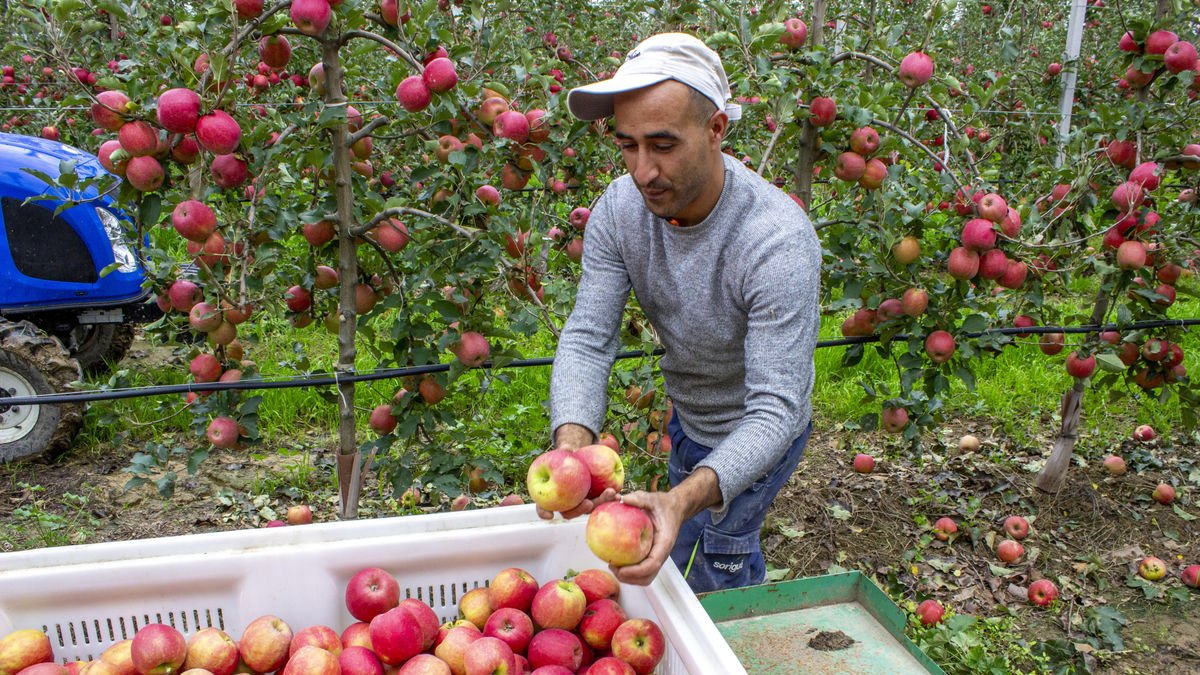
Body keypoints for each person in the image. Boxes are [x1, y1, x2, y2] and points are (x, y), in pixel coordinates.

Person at [545, 32, 821, 594]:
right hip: (690, 413)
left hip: (762, 428)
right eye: (627, 145)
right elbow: (589, 337)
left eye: (663, 145)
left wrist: (684, 498)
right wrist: (572, 448)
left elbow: (774, 409)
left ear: (716, 129)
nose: (642, 170)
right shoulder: (620, 211)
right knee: (682, 537)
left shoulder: (776, 241)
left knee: (716, 559)